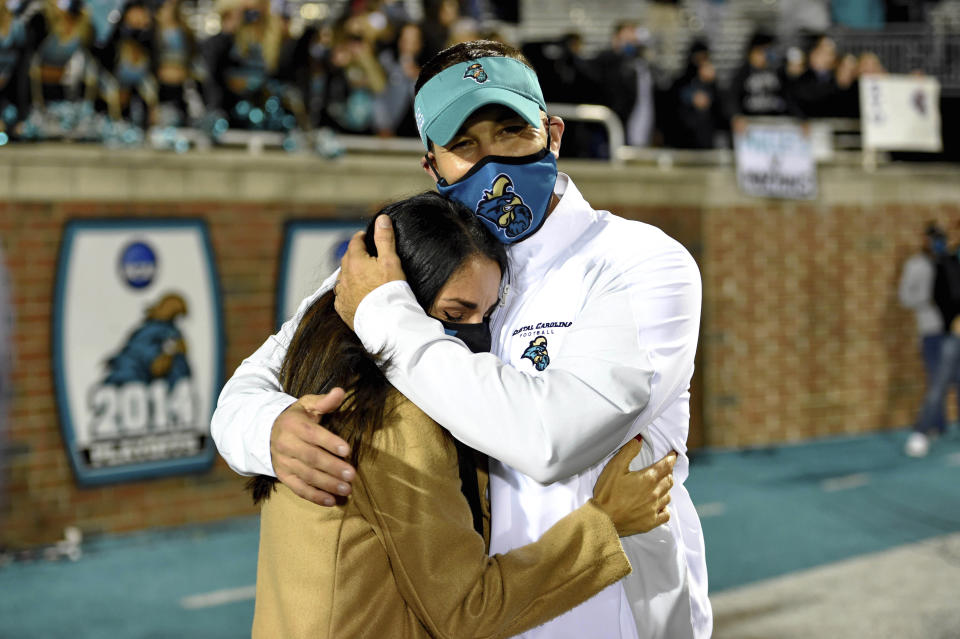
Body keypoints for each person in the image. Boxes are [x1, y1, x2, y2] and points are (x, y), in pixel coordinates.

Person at [212, 40, 710, 638]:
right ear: (432, 167)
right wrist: (268, 432)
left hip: (614, 619)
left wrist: (391, 319)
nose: (492, 161)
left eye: (510, 132)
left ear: (551, 135)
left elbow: (552, 439)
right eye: (464, 146)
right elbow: (249, 387)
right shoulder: (403, 262)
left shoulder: (640, 261)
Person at [250, 191, 678, 638]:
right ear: (396, 300)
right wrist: (605, 524)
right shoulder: (396, 421)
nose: (474, 332)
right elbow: (466, 613)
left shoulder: (320, 376)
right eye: (456, 313)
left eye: (486, 314)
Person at [906, 223, 960, 457]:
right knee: (937, 383)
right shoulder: (919, 265)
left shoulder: (950, 262)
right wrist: (927, 300)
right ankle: (923, 431)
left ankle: (936, 427)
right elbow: (908, 297)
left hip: (952, 330)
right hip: (935, 332)